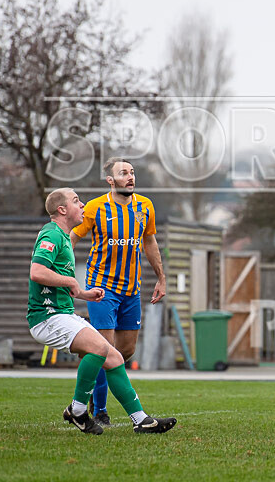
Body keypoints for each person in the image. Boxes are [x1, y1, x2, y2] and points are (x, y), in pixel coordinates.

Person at [28, 188, 176, 434]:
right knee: (99, 348)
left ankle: (141, 420)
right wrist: (72, 281)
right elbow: (37, 272)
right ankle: (78, 410)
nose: (82, 205)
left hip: (62, 314)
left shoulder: (62, 237)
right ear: (62, 210)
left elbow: (58, 283)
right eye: (76, 201)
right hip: (47, 317)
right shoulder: (52, 234)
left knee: (114, 357)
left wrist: (83, 293)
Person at [70, 157, 166, 426]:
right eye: (123, 173)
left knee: (125, 351)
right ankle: (99, 409)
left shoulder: (145, 206)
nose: (130, 177)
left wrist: (161, 277)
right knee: (104, 349)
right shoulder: (95, 207)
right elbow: (72, 237)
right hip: (101, 288)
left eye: (132, 172)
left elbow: (149, 240)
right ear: (110, 180)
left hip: (131, 289)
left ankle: (92, 375)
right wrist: (64, 272)